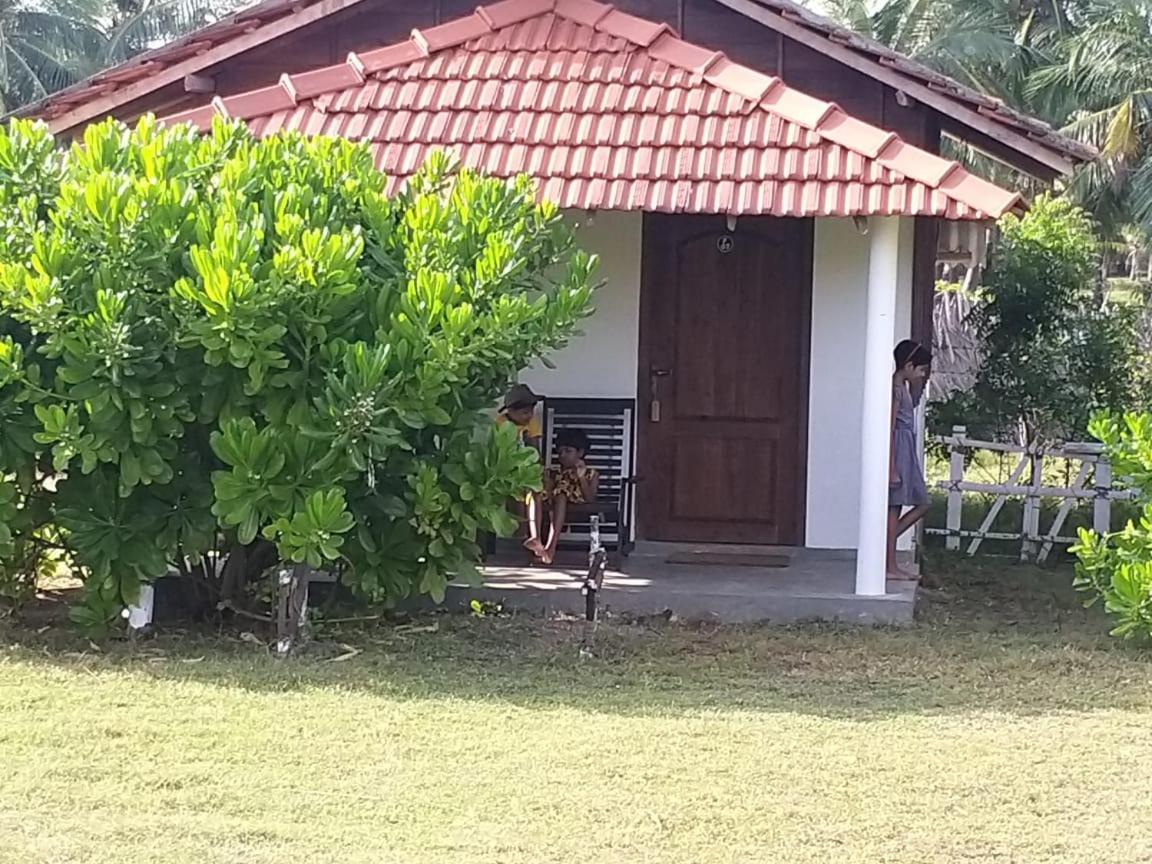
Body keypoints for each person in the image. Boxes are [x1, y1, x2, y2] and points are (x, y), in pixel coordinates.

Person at [888, 339, 932, 579]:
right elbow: (890, 426)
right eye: (920, 370)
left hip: (906, 448)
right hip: (898, 448)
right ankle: (889, 564)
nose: (922, 375)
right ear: (908, 365)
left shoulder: (904, 388)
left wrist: (916, 385)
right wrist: (891, 467)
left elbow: (913, 403)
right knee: (895, 506)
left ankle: (886, 545)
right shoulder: (895, 391)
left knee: (920, 503)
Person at [496, 384, 546, 556]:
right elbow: (499, 450)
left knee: (535, 492)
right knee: (517, 496)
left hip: (527, 470)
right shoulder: (501, 423)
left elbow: (535, 452)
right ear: (510, 411)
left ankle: (534, 536)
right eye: (524, 412)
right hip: (505, 470)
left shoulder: (532, 424)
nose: (529, 416)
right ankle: (521, 536)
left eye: (531, 411)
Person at [538, 428, 599, 564]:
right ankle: (542, 543)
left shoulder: (591, 473)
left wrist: (581, 477)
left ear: (581, 453)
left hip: (579, 507)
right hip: (555, 507)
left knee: (562, 494)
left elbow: (590, 499)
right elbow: (546, 494)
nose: (563, 455)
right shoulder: (553, 472)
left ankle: (551, 546)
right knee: (559, 494)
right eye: (560, 452)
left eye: (568, 451)